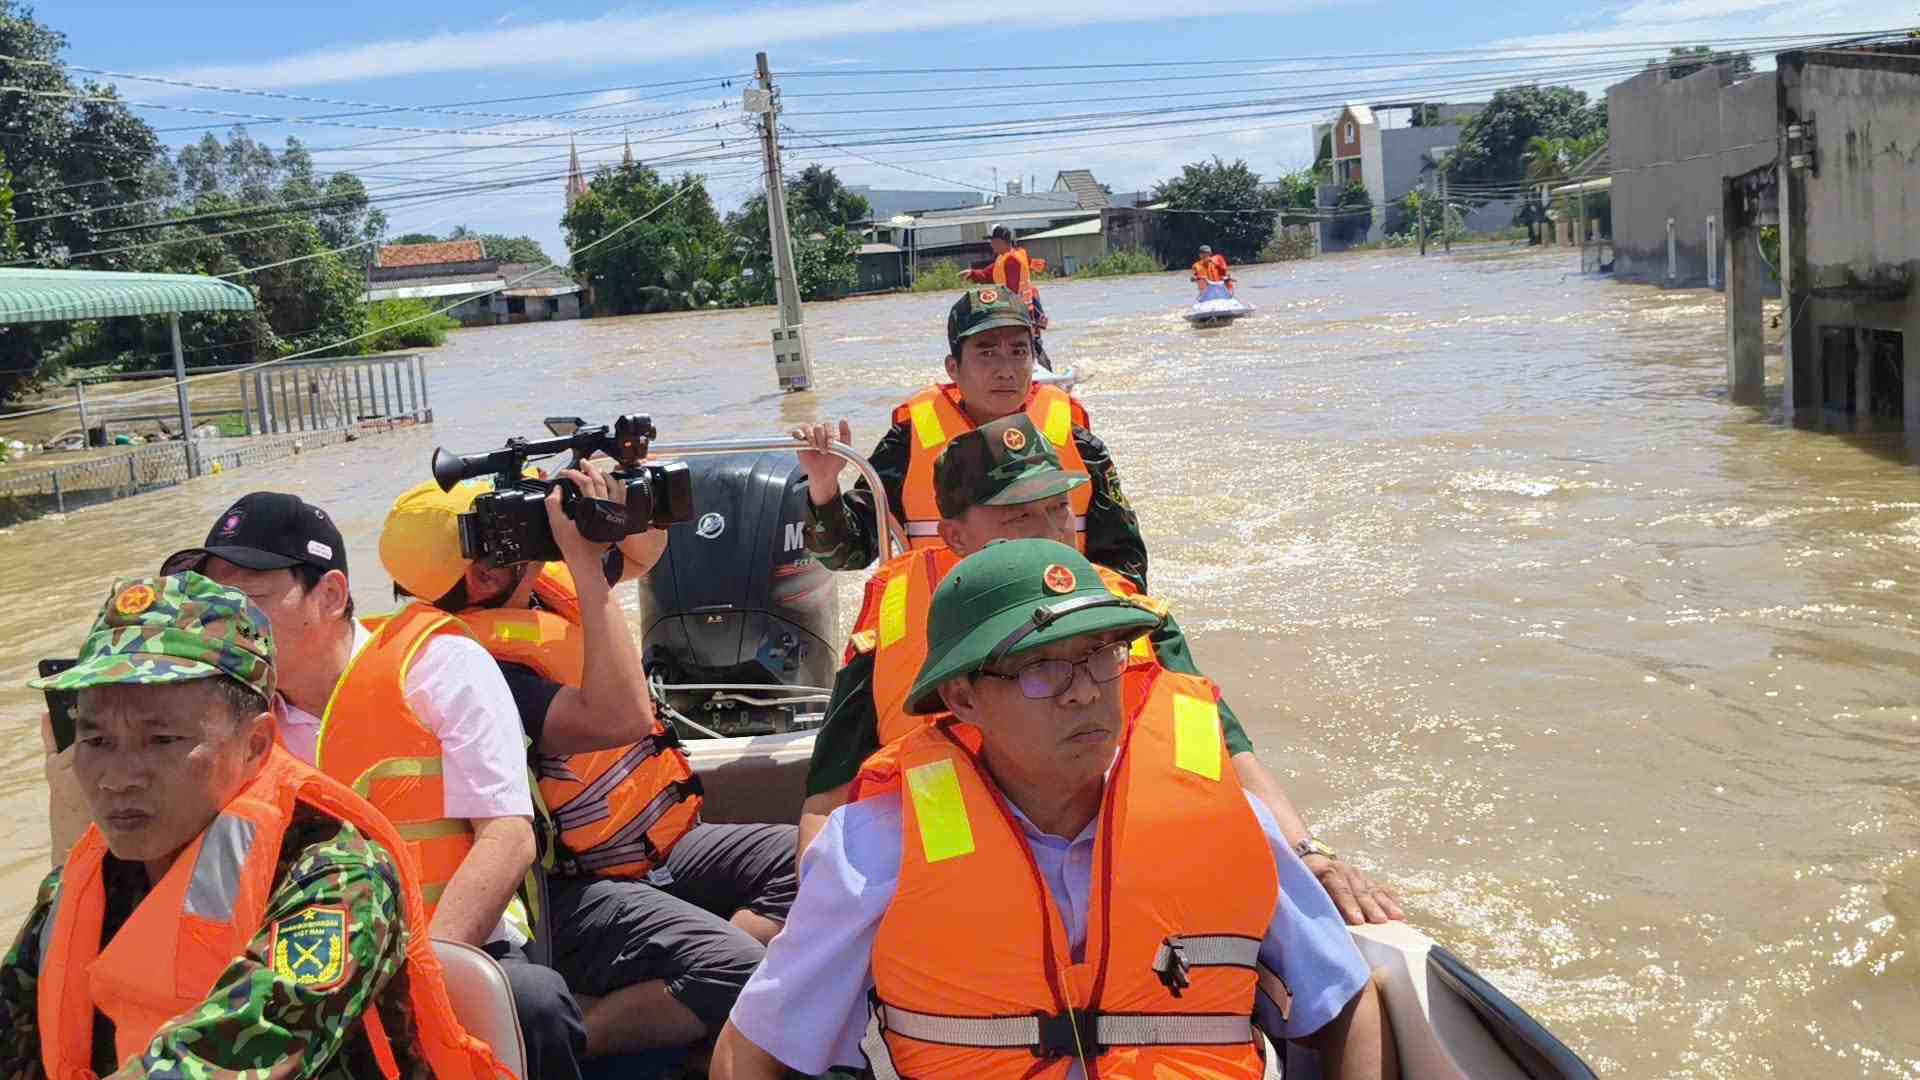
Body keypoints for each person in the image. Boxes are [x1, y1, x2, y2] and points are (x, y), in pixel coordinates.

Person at [713, 540, 1396, 1079]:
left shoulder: (1225, 821)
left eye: (1101, 656)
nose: (1084, 693)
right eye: (1041, 667)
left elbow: (1345, 1002)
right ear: (962, 699)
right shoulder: (875, 848)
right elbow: (754, 1049)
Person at [799, 414, 1403, 924]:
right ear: (954, 536)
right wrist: (820, 911)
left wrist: (1307, 852)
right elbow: (827, 794)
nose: (1052, 535)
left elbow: (1226, 748)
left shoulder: (1130, 613)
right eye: (1019, 518)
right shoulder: (898, 613)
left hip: (1128, 875)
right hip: (950, 888)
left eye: (1059, 511)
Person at [2, 573, 510, 1078]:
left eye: (160, 741)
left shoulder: (337, 877)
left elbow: (228, 1057)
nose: (116, 779)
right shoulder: (84, 880)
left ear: (257, 745)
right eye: (96, 742)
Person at [159, 492, 588, 1078]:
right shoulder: (232, 716)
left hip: (453, 949)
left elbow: (508, 838)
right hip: (303, 976)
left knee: (533, 1003)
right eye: (216, 605)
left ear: (331, 594)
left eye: (251, 602)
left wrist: (419, 976)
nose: (228, 625)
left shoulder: (439, 665)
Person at [378, 469, 790, 1056]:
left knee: (820, 859)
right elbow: (621, 716)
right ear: (486, 572)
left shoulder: (533, 591)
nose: (532, 532)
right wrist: (589, 568)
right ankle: (571, 1037)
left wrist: (615, 509)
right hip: (574, 887)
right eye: (515, 528)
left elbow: (647, 553)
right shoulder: (477, 668)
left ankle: (695, 992)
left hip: (655, 843)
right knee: (733, 967)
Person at [794, 286, 1148, 587]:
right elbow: (848, 555)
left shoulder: (1078, 441)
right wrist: (824, 487)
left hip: (1057, 619)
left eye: (1018, 352)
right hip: (945, 629)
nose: (1006, 370)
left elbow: (1125, 560)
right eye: (987, 352)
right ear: (953, 368)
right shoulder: (908, 441)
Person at [964, 223, 1051, 367]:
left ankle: (1041, 372)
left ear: (999, 241)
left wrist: (1002, 312)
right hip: (1024, 309)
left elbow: (1011, 290)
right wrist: (972, 273)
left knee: (1025, 343)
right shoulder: (1007, 256)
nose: (990, 244)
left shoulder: (1011, 260)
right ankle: (1041, 369)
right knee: (1030, 343)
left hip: (1019, 310)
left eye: (992, 241)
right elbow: (987, 274)